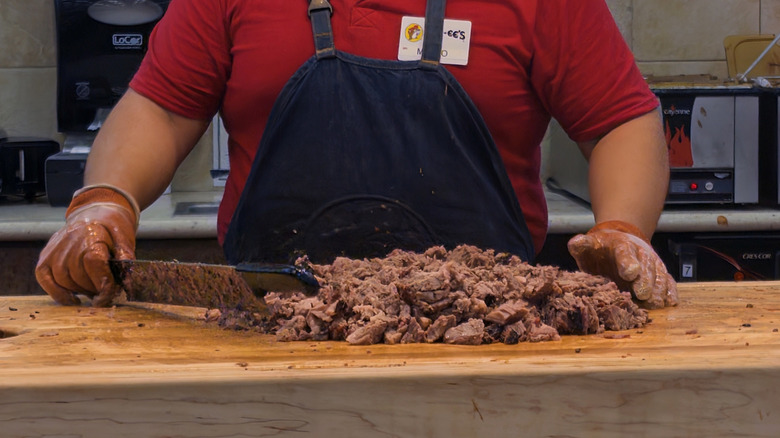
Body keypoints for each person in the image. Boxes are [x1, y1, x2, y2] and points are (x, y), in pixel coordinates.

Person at [35, 0, 678, 309]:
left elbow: (620, 119)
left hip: (486, 339)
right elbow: (161, 108)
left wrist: (622, 229)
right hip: (266, 339)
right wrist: (104, 202)